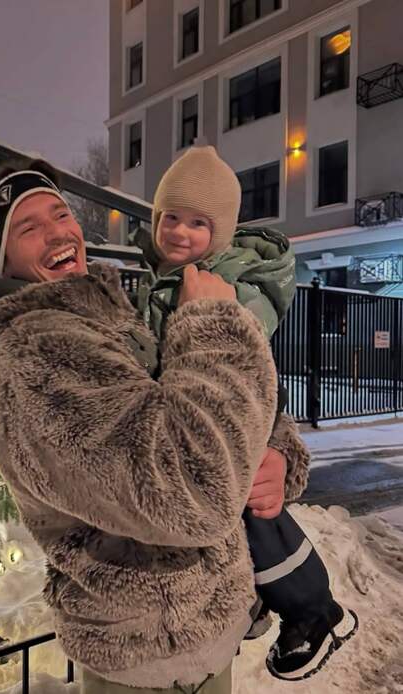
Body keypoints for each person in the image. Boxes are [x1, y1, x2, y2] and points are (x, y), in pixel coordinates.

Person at [0, 157, 311, 693]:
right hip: (148, 651)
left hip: (201, 630)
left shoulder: (103, 318)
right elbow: (189, 493)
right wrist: (213, 326)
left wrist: (274, 452)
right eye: (28, 227)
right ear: (2, 261)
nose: (58, 232)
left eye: (60, 214)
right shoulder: (35, 353)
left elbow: (186, 402)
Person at [132, 145, 358, 681]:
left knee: (255, 515)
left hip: (228, 419)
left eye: (198, 223)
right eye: (170, 217)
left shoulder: (227, 286)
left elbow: (248, 367)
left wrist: (209, 316)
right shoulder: (159, 277)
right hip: (194, 420)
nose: (179, 232)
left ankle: (312, 611)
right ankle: (265, 602)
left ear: (222, 232)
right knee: (244, 515)